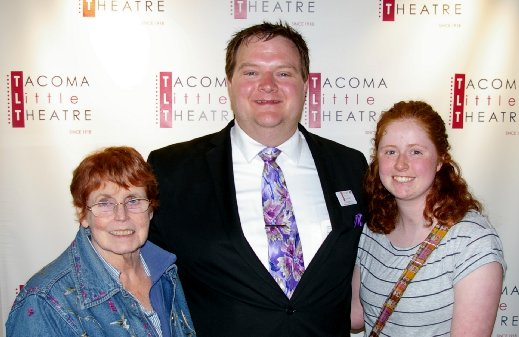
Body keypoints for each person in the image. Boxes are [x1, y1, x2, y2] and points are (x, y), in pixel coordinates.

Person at [147, 21, 368, 337]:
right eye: (251, 72)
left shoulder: (350, 165)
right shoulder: (172, 169)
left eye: (284, 73)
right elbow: (136, 275)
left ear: (306, 84)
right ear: (230, 82)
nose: (268, 84)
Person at [350, 101, 506, 336]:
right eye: (390, 151)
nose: (401, 164)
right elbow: (355, 317)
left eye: (416, 152)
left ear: (440, 160)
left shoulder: (471, 241)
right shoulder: (373, 230)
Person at [6, 147, 195, 337]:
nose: (121, 216)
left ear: (151, 210)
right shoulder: (44, 301)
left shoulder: (166, 272)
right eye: (104, 203)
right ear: (83, 214)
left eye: (133, 201)